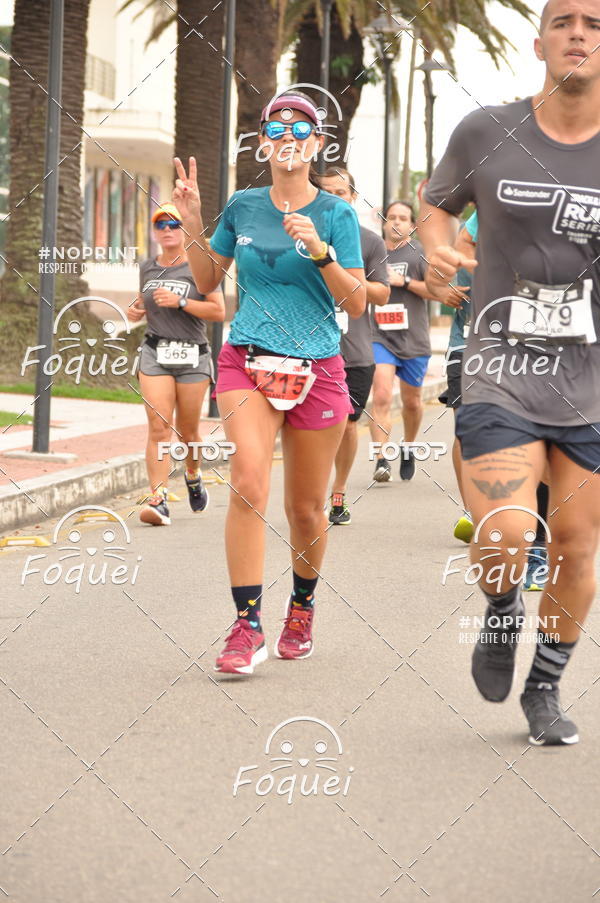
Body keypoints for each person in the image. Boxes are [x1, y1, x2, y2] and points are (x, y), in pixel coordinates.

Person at [420, 0, 600, 745]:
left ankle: (545, 686)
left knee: (577, 549)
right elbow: (436, 206)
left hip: (590, 381)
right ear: (539, 42)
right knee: (503, 531)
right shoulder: (488, 131)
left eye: (594, 24)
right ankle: (500, 606)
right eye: (564, 22)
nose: (580, 34)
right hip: (501, 364)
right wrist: (436, 247)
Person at [173, 90, 366, 675]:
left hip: (318, 367)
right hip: (247, 359)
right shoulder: (243, 206)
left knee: (306, 509)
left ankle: (301, 609)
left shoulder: (337, 214)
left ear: (316, 144)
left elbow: (355, 303)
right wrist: (191, 221)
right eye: (276, 129)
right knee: (249, 482)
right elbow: (209, 280)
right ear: (262, 143)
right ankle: (245, 625)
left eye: (300, 129)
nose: (288, 137)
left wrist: (321, 250)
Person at [128, 202, 225, 526]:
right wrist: (137, 309)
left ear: (185, 230)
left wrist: (183, 302)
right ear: (155, 232)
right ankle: (158, 497)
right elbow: (144, 300)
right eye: (161, 224)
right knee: (158, 426)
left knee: (188, 431)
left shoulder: (201, 266)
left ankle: (194, 473)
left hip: (192, 355)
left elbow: (218, 312)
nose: (168, 229)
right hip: (155, 352)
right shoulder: (147, 267)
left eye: (174, 224)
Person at [320, 166, 390, 524]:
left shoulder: (370, 241)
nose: (334, 199)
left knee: (347, 424)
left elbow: (382, 291)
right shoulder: (304, 235)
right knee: (310, 426)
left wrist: (349, 283)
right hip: (311, 349)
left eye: (340, 193)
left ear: (353, 198)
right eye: (326, 192)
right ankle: (310, 493)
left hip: (355, 353)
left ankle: (338, 494)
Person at [369, 200, 432, 482]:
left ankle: (408, 445)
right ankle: (381, 459)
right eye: (391, 217)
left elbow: (435, 291)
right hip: (379, 335)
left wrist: (403, 282)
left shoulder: (420, 253)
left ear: (412, 225)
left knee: (412, 402)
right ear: (384, 221)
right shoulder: (373, 251)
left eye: (403, 218)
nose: (396, 222)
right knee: (381, 394)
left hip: (414, 338)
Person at [437, 212, 475, 542]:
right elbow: (433, 274)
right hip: (464, 344)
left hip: (519, 350)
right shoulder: (462, 227)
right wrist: (442, 286)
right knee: (465, 428)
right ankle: (471, 511)